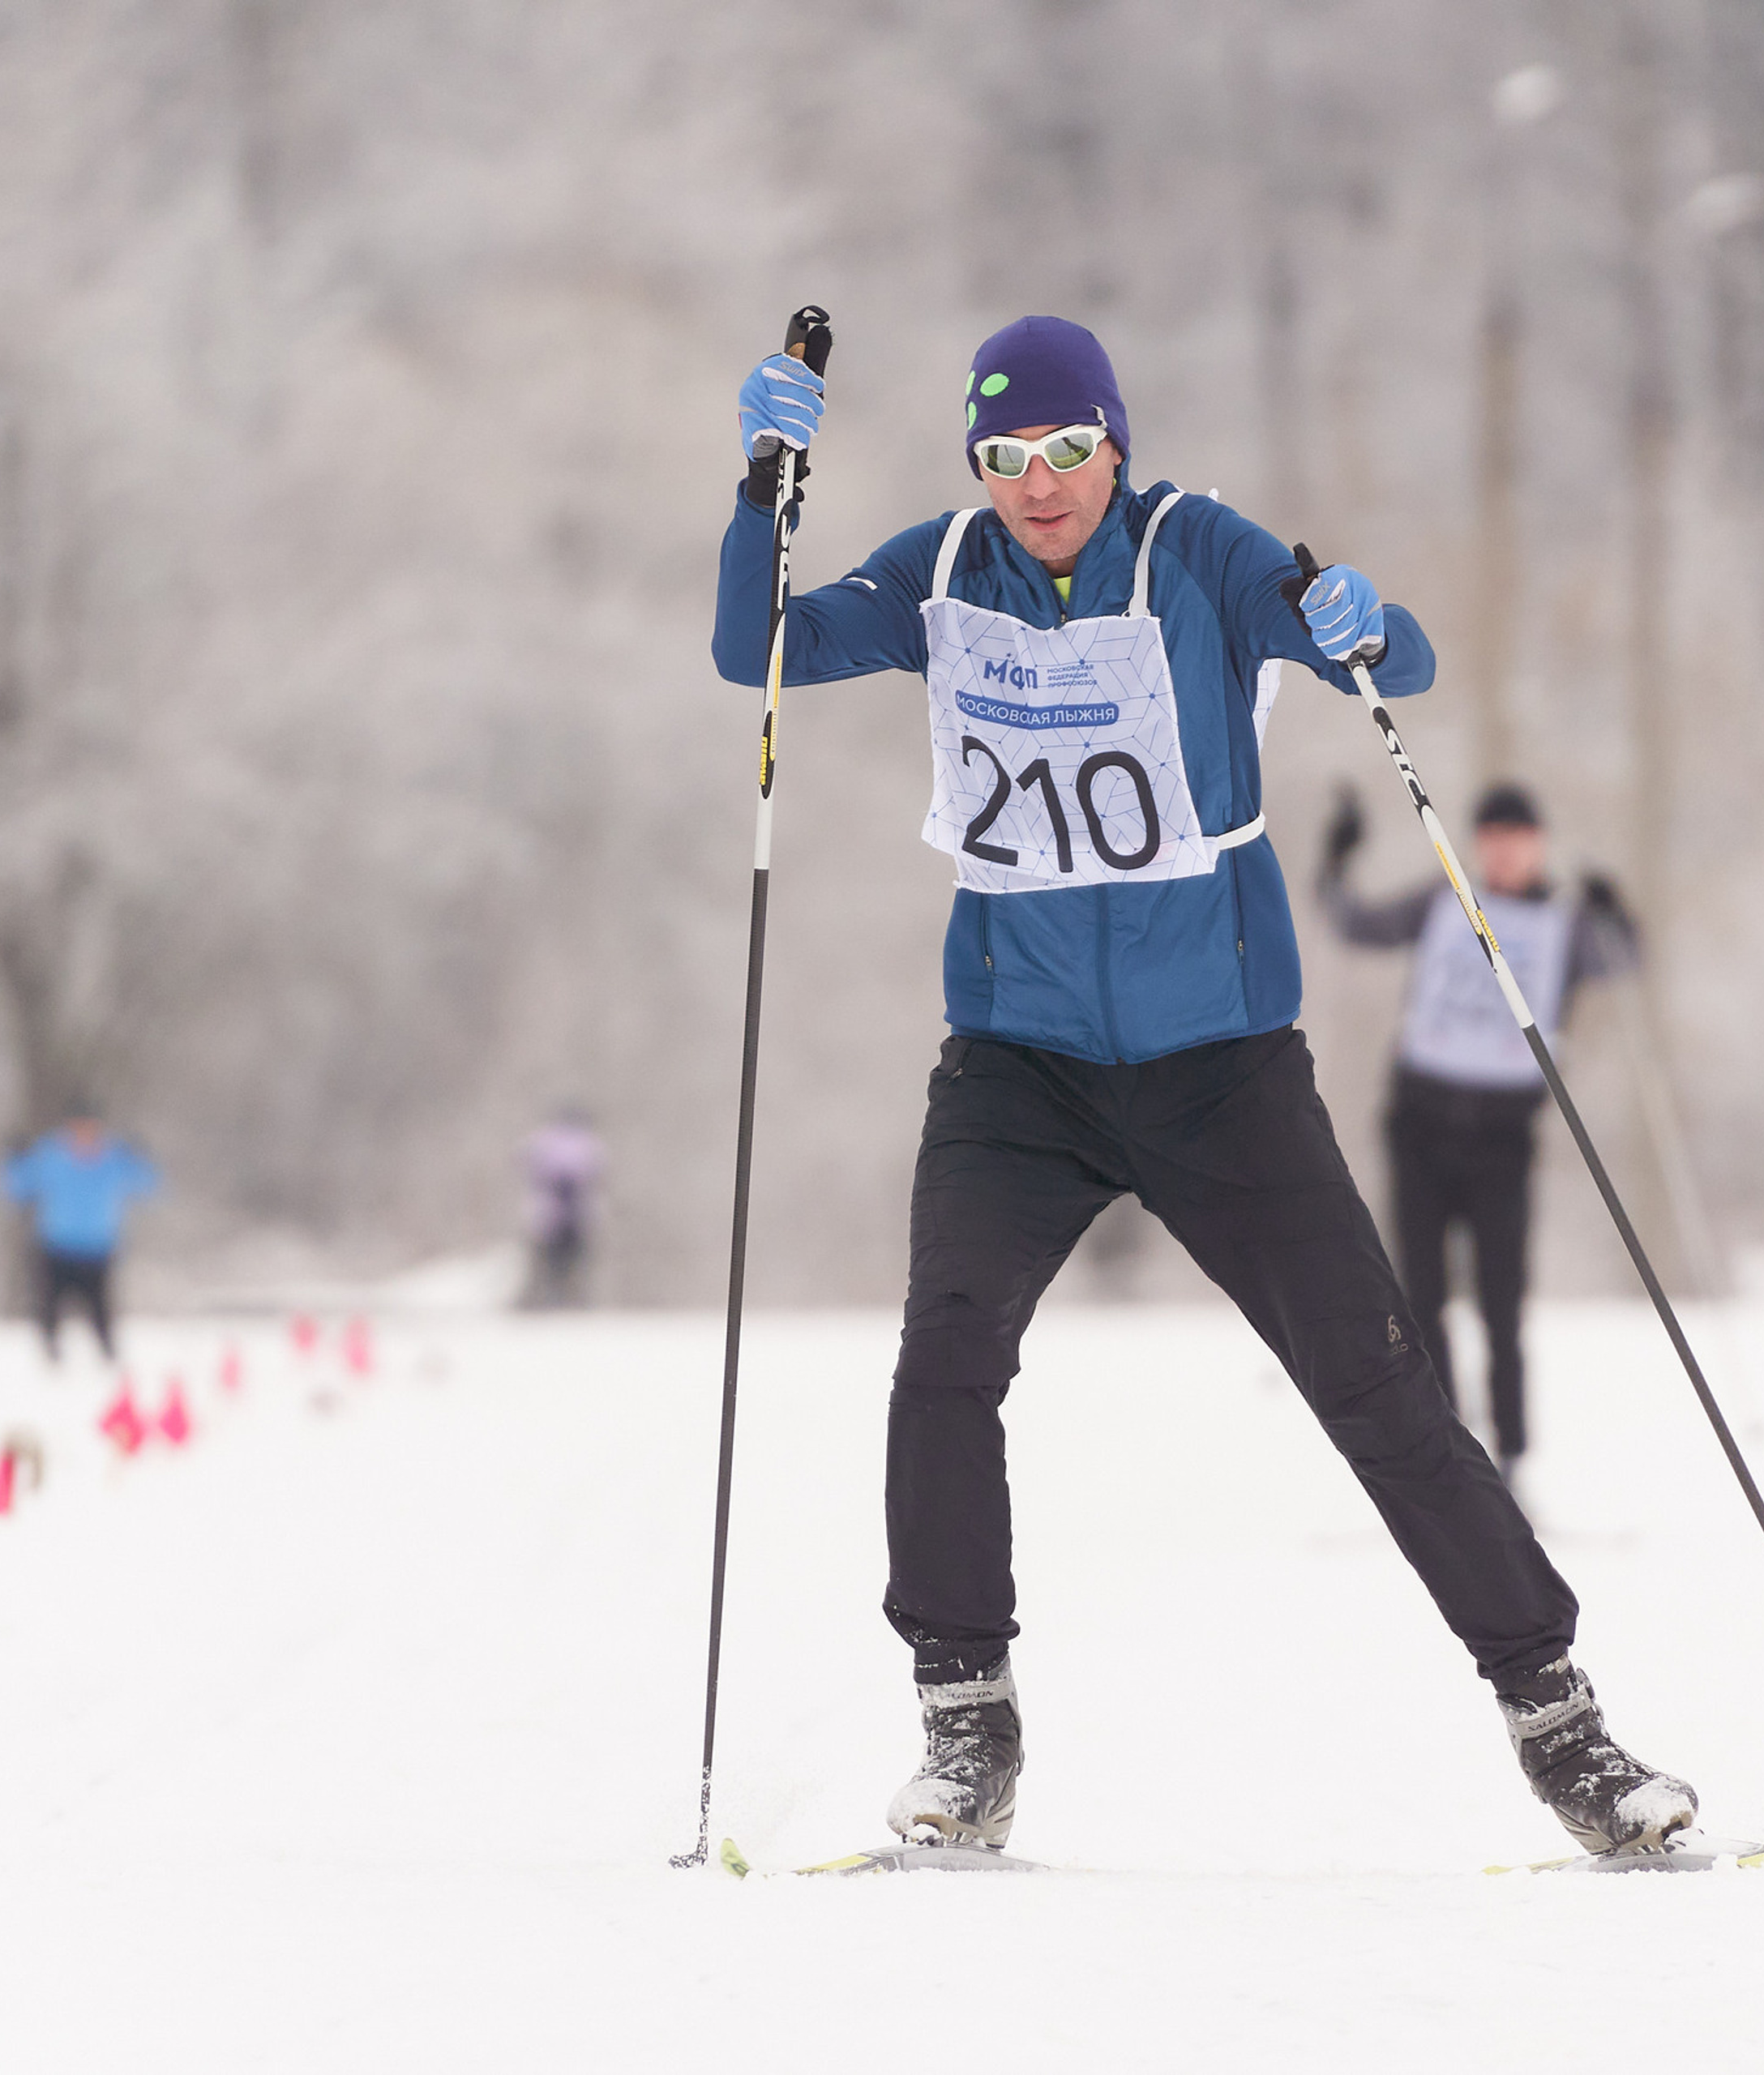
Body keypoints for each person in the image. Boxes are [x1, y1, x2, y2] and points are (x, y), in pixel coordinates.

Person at [714, 314, 1694, 1858]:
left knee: (1375, 1382)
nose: (1039, 485)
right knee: (946, 1359)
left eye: (1068, 452)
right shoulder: (939, 568)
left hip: (1218, 1066)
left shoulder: (1201, 551)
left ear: (1117, 445)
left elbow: (1399, 659)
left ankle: (1560, 1721)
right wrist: (764, 494)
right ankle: (965, 1719)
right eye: (1007, 457)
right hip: (1017, 1064)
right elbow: (751, 648)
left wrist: (1365, 618)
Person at [1318, 781, 1638, 1491]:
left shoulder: (1565, 922)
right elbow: (1357, 925)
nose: (1501, 852)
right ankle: (1447, 1459)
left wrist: (1617, 912)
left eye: (1516, 838)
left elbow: (1623, 961)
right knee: (1421, 1298)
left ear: (1538, 844)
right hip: (1421, 1124)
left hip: (1502, 1137)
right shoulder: (1447, 900)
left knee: (1501, 1301)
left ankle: (1514, 1462)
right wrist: (1335, 863)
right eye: (1489, 838)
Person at [0, 1108, 160, 1363]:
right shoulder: (50, 1155)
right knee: (49, 1306)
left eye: (90, 1127)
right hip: (56, 1246)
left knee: (101, 1311)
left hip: (98, 1248)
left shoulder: (114, 1157)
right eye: (78, 1127)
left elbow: (149, 1188)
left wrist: (141, 1158)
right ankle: (51, 1358)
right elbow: (17, 1189)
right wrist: (14, 1160)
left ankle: (108, 1358)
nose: (84, 1134)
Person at [520, 1106, 604, 1308]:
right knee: (557, 1262)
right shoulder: (583, 1143)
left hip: (567, 1217)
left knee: (561, 1262)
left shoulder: (552, 1141)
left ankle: (563, 1299)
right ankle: (558, 1299)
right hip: (558, 1217)